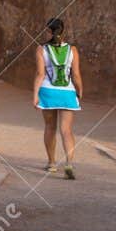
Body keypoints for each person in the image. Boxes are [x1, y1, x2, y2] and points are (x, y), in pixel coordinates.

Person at [32, 17, 83, 178]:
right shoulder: (73, 50)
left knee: (50, 128)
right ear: (64, 30)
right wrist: (80, 90)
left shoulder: (41, 49)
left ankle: (52, 163)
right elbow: (76, 74)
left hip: (48, 92)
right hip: (67, 93)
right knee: (66, 130)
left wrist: (35, 95)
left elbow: (40, 74)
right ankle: (69, 163)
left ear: (48, 31)